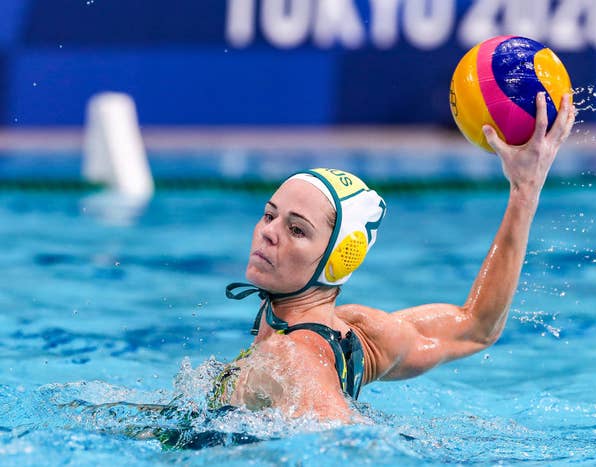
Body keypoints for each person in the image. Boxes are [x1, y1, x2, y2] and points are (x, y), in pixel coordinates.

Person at [212, 92, 576, 422]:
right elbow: (477, 326)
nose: (268, 231)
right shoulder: (359, 336)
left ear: (340, 258)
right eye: (270, 214)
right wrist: (525, 190)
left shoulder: (293, 358)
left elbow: (342, 442)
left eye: (297, 230)